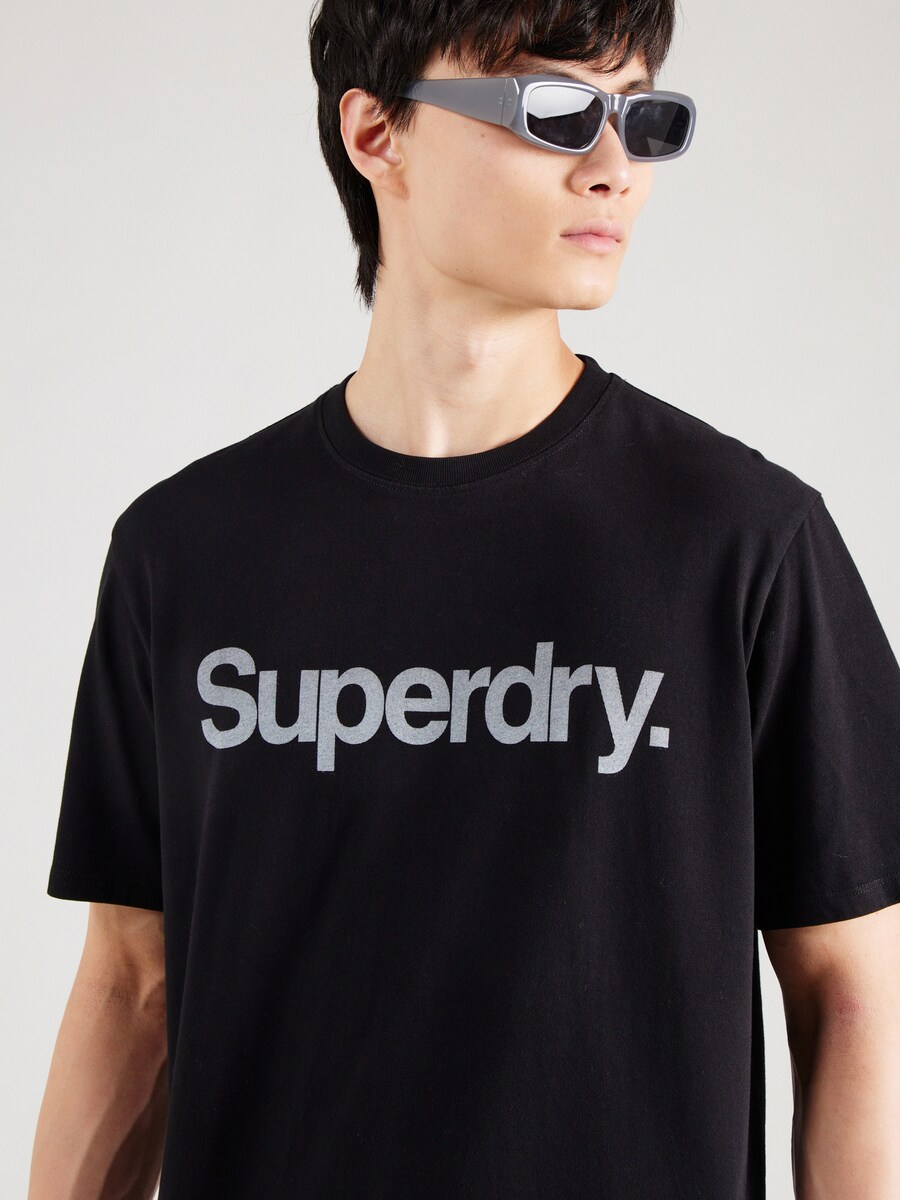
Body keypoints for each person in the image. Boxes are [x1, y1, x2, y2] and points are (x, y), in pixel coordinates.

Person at [31, 1, 900, 1197]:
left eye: (641, 117)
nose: (615, 169)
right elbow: (133, 984)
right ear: (376, 132)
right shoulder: (183, 554)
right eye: (556, 111)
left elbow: (854, 991)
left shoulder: (743, 541)